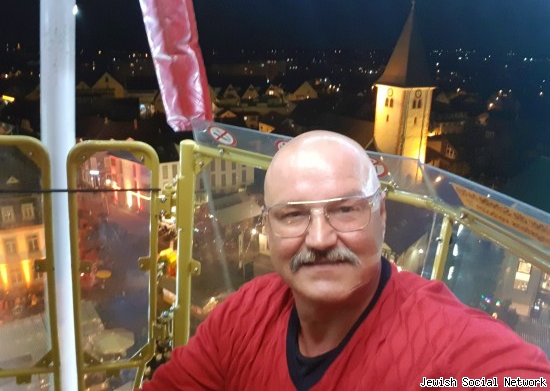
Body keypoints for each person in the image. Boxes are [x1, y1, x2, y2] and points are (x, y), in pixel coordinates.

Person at [139, 131, 550, 390]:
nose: (320, 239)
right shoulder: (244, 315)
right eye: (293, 215)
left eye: (346, 210)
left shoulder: (446, 348)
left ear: (381, 215)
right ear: (269, 225)